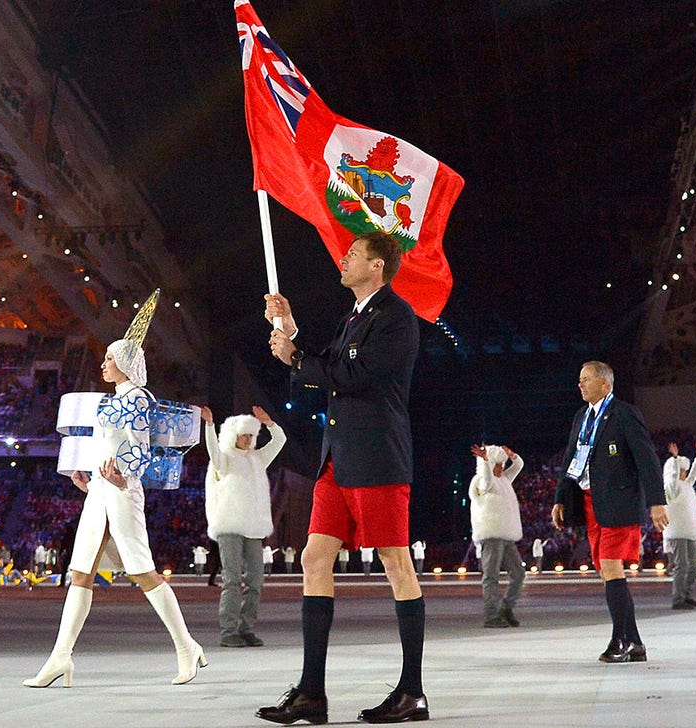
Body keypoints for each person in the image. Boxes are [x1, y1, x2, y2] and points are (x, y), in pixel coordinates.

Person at [257, 231, 427, 724]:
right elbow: (331, 365)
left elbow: (356, 377)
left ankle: (412, 691)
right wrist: (290, 331)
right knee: (314, 557)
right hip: (338, 458)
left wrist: (295, 359)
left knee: (397, 564)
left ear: (377, 267)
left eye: (353, 253)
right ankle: (311, 693)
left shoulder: (396, 318)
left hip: (377, 458)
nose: (344, 257)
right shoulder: (354, 317)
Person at [24, 313, 206, 688]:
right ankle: (60, 658)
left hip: (123, 493)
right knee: (80, 574)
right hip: (103, 492)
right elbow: (110, 448)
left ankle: (187, 647)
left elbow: (140, 449)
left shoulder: (138, 399)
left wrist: (122, 478)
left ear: (124, 364)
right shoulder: (115, 399)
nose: (104, 363)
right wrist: (88, 482)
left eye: (110, 359)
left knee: (143, 573)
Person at [552, 361, 667, 663]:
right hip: (590, 503)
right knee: (605, 572)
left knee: (612, 567)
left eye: (586, 379)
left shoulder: (625, 414)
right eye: (579, 380)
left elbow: (647, 459)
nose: (580, 384)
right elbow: (570, 460)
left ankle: (620, 640)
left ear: (605, 384)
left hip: (619, 502)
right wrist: (560, 498)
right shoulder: (581, 417)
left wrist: (657, 502)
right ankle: (635, 642)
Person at [202, 404, 287, 649]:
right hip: (229, 525)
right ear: (233, 436)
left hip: (253, 526)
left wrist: (269, 423)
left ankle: (247, 628)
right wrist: (209, 425)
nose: (249, 440)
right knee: (231, 579)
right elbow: (212, 451)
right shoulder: (224, 459)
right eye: (244, 435)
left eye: (252, 435)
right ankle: (229, 631)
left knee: (256, 581)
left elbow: (280, 440)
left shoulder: (258, 459)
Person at [469, 444, 527, 628]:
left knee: (518, 573)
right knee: (491, 576)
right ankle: (491, 615)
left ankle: (506, 608)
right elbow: (486, 477)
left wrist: (512, 455)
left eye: (503, 464)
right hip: (491, 534)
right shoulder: (483, 481)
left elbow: (518, 466)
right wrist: (485, 460)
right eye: (498, 464)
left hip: (506, 534)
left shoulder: (504, 481)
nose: (502, 468)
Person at [663, 441, 696, 609]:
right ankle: (678, 598)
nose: (684, 473)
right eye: (682, 470)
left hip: (689, 532)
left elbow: (694, 474)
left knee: (694, 566)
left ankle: (686, 594)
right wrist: (674, 459)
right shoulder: (672, 488)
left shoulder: (687, 485)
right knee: (682, 566)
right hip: (678, 532)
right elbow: (672, 477)